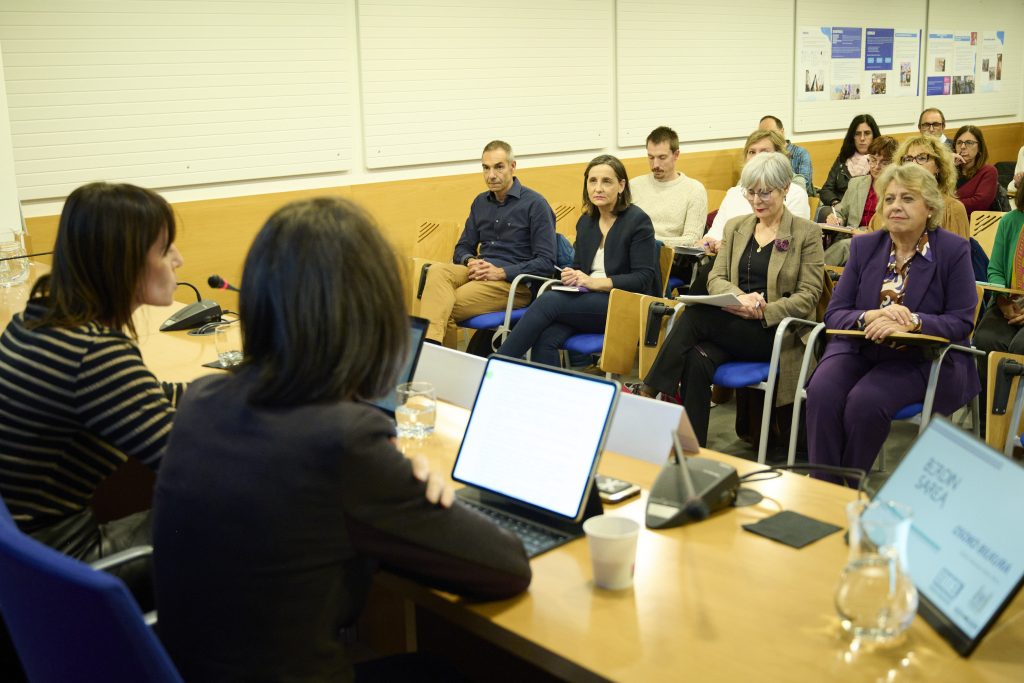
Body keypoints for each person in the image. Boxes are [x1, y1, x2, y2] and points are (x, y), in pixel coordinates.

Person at [153, 197, 531, 682]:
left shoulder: (204, 399)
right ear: (369, 315)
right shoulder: (343, 439)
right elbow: (506, 568)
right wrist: (422, 493)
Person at [0, 182, 184, 600]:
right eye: (163, 249)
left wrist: (229, 392)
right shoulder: (94, 353)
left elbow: (144, 399)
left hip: (23, 557)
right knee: (246, 512)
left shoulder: (39, 322)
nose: (178, 259)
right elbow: (192, 461)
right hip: (65, 567)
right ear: (122, 262)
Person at [632, 152, 824, 446]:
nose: (756, 200)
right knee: (696, 359)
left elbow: (808, 296)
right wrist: (741, 299)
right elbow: (716, 277)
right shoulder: (737, 227)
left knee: (694, 316)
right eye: (751, 192)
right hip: (733, 324)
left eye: (765, 192)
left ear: (785, 188)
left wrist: (763, 310)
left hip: (776, 332)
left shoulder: (806, 233)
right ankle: (692, 448)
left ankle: (649, 391)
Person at [806, 164, 979, 481]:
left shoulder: (953, 250)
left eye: (907, 198)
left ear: (929, 208)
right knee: (822, 391)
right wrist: (869, 316)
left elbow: (961, 321)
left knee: (865, 401)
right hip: (860, 347)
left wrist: (913, 322)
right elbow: (835, 313)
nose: (896, 206)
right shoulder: (865, 246)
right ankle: (824, 486)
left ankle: (848, 486)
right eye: (889, 199)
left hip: (921, 357)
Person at [497, 155, 659, 366]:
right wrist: (572, 275)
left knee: (548, 300)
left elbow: (643, 279)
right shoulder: (586, 222)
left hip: (625, 305)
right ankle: (547, 388)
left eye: (606, 181)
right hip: (589, 302)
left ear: (621, 186)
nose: (598, 188)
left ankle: (495, 365)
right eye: (592, 181)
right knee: (545, 337)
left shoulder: (638, 221)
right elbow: (580, 267)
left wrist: (593, 282)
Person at [419, 140, 556, 346]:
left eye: (498, 167)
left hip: (513, 283)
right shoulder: (480, 202)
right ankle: (433, 352)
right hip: (480, 272)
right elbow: (462, 248)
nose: (491, 175)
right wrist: (470, 261)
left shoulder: (535, 204)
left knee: (442, 307)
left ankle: (432, 356)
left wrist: (500, 272)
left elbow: (546, 263)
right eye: (486, 168)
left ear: (512, 166)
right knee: (437, 271)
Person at [705, 129, 810, 254]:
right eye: (752, 152)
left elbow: (788, 244)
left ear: (779, 156)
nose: (757, 157)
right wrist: (707, 243)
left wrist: (731, 245)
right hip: (725, 257)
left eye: (764, 152)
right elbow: (715, 234)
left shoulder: (795, 193)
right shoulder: (734, 193)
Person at [823, 135, 899, 266]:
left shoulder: (898, 190)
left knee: (845, 246)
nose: (876, 166)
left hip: (878, 240)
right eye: (873, 160)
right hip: (850, 235)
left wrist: (867, 234)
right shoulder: (856, 183)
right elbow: (840, 211)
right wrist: (837, 218)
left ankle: (814, 271)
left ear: (895, 164)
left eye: (884, 163)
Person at [629, 126, 708, 249]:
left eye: (662, 157)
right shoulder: (634, 185)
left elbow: (692, 239)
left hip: (670, 256)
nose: (655, 165)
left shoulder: (695, 190)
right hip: (633, 251)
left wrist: (649, 241)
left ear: (676, 155)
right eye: (651, 157)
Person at [973, 188, 1024, 355]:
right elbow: (996, 270)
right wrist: (1003, 302)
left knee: (1020, 346)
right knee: (986, 339)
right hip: (1010, 300)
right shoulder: (1010, 220)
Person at [895, 135, 970, 238]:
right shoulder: (891, 208)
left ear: (938, 167)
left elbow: (958, 248)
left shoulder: (952, 209)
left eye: (922, 158)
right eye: (908, 159)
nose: (913, 164)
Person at [818, 114, 881, 218]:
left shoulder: (880, 163)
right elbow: (826, 190)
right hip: (840, 210)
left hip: (865, 212)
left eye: (867, 133)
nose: (862, 138)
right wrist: (836, 204)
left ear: (874, 136)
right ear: (852, 137)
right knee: (825, 212)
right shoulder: (843, 159)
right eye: (857, 134)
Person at [759, 115, 814, 194]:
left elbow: (805, 184)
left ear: (782, 131)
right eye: (762, 134)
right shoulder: (761, 154)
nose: (766, 137)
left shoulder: (800, 153)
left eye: (771, 132)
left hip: (795, 196)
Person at [952, 125, 999, 218]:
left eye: (969, 143)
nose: (963, 147)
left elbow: (979, 204)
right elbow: (934, 197)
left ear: (979, 147)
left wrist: (947, 205)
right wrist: (947, 168)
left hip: (973, 223)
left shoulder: (988, 171)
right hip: (946, 220)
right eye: (959, 142)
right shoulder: (949, 169)